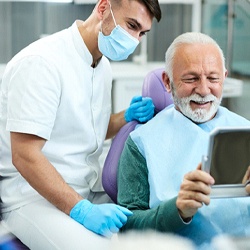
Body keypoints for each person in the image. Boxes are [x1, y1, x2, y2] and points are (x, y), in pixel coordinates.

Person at [0, 0, 161, 249]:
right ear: (103, 7)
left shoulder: (102, 66)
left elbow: (85, 129)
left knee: (150, 235)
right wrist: (81, 211)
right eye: (131, 26)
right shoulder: (42, 62)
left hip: (83, 190)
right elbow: (25, 155)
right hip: (32, 198)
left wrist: (125, 116)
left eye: (142, 33)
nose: (135, 40)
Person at [117, 32, 250, 248]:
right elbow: (127, 227)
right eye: (191, 79)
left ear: (224, 77)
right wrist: (177, 210)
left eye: (213, 78)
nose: (204, 90)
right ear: (168, 82)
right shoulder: (141, 142)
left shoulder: (245, 131)